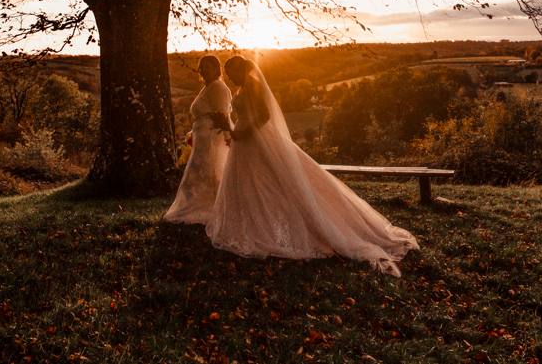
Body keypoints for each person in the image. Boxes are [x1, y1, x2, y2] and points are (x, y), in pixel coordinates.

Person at [207, 57, 418, 275]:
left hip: (256, 139)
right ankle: (248, 226)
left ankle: (269, 229)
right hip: (245, 143)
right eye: (228, 72)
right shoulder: (243, 86)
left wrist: (243, 133)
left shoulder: (253, 84)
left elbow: (264, 116)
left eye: (231, 71)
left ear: (241, 69)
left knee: (271, 184)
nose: (229, 77)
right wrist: (231, 128)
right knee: (250, 184)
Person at [164, 55, 233, 224]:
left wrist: (229, 140)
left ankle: (212, 210)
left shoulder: (218, 87)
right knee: (199, 175)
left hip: (212, 141)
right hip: (203, 140)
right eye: (202, 67)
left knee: (208, 175)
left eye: (208, 66)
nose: (204, 70)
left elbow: (224, 115)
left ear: (217, 69)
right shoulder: (208, 87)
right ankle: (200, 207)